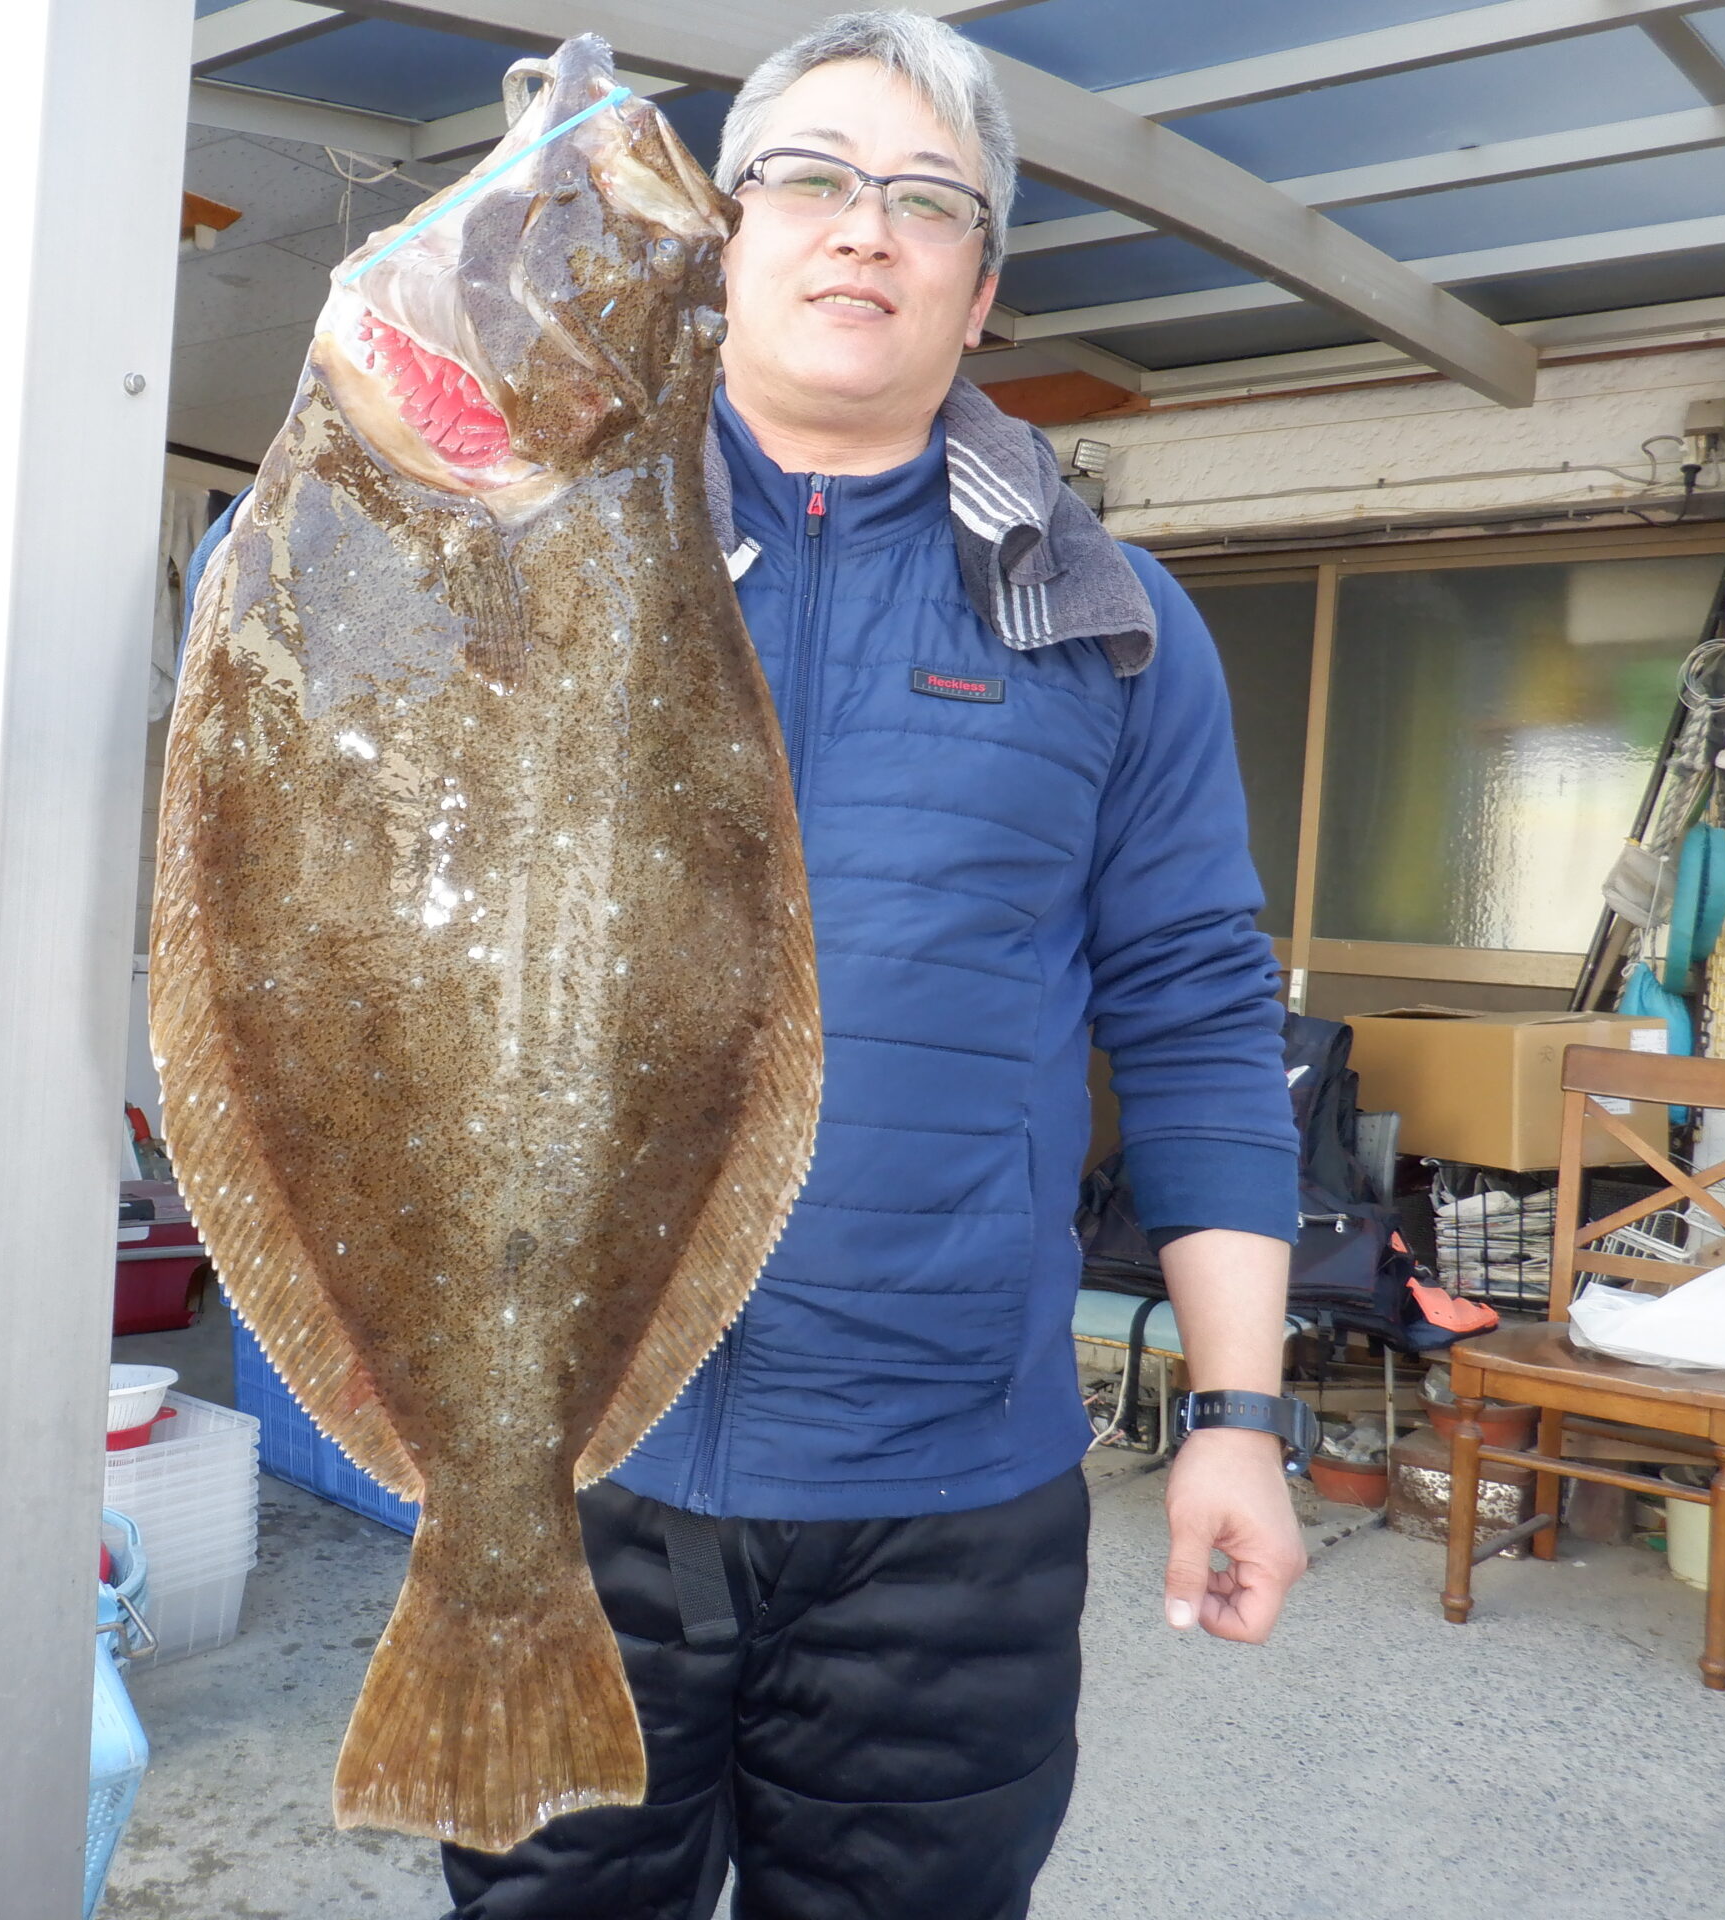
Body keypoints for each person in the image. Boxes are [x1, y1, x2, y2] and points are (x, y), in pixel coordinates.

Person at [439, 14, 1310, 1919]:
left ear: (980, 291)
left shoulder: (1110, 624)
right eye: (813, 178)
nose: (865, 229)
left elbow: (1197, 1018)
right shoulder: (521, 541)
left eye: (928, 202)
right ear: (724, 234)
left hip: (949, 1508)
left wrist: (1237, 1418)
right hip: (570, 1458)